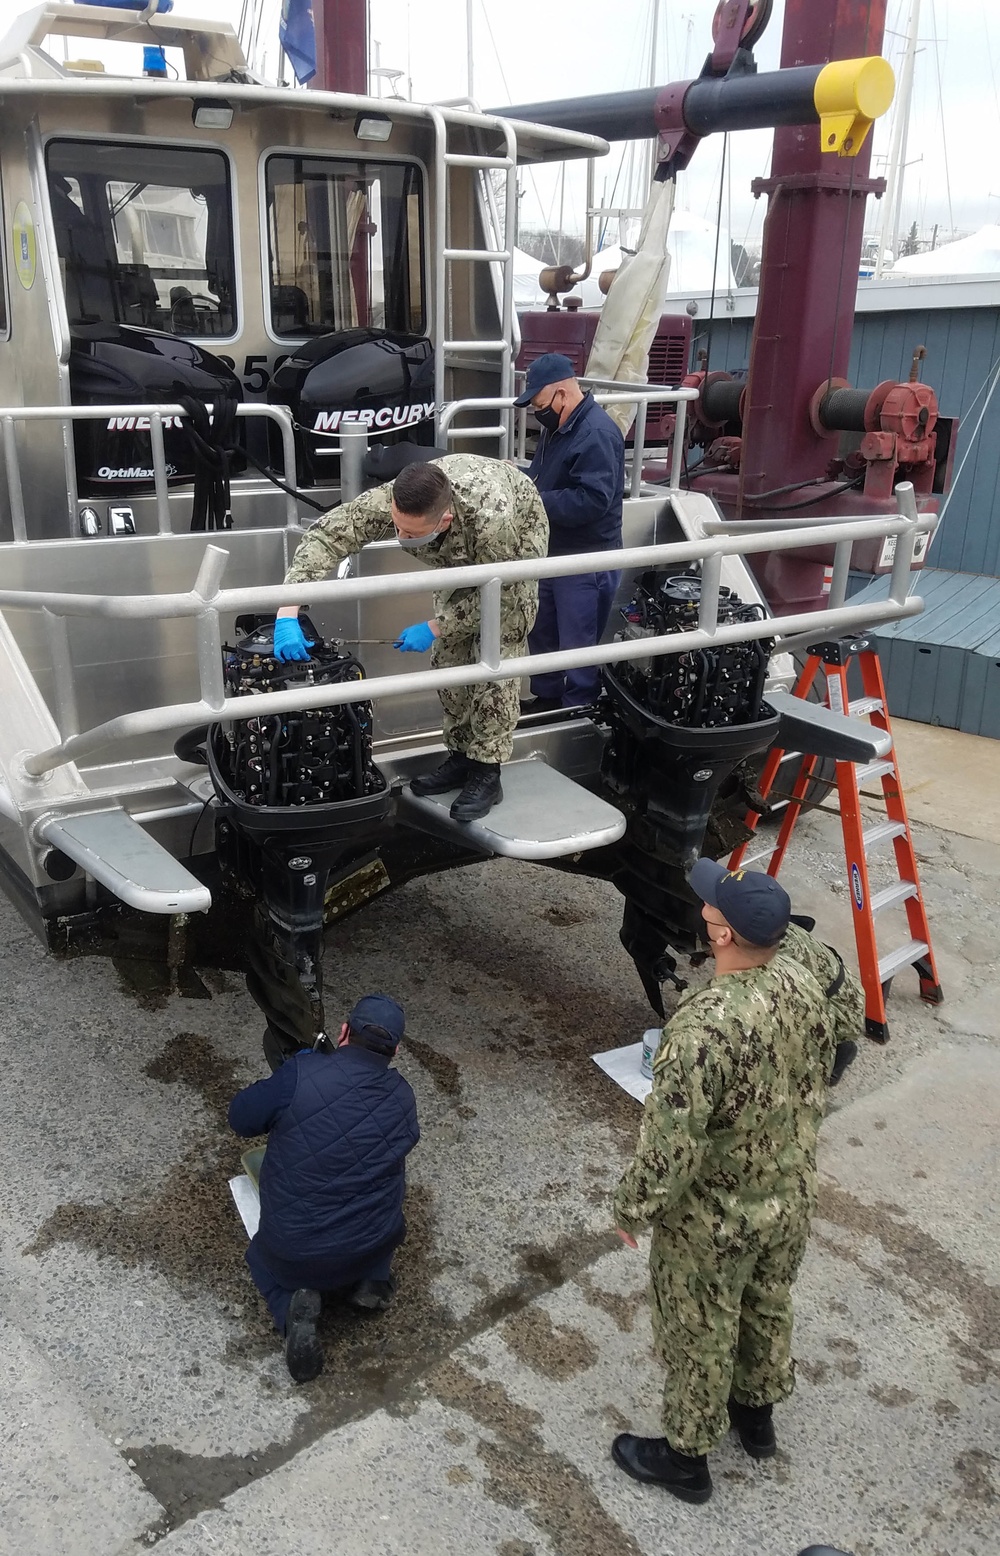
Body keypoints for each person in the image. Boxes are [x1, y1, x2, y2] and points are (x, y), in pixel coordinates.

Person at [611, 861, 834, 1504]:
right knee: (768, 1301)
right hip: (790, 1195)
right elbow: (844, 1014)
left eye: (713, 910)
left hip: (715, 1219)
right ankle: (757, 1419)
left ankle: (685, 1458)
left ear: (723, 935)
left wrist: (631, 1208)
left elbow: (671, 1151)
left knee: (699, 1329)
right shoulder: (802, 974)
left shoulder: (703, 1026)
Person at [272, 454, 548, 822]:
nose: (401, 538)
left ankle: (487, 770)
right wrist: (287, 609)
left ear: (445, 520)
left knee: (494, 660)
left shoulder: (491, 520)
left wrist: (435, 626)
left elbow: (506, 595)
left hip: (515, 548)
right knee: (448, 660)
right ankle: (462, 757)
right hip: (460, 555)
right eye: (397, 528)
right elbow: (330, 533)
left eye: (412, 535)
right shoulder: (396, 498)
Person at [228, 994, 419, 1383]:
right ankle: (371, 1280)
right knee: (381, 1181)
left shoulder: (302, 1074)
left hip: (298, 1255)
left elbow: (240, 1117)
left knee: (260, 1256)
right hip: (374, 1243)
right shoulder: (403, 1096)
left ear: (343, 1031)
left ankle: (291, 1308)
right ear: (395, 1050)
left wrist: (297, 1074)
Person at [514, 353, 625, 710]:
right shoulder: (557, 427)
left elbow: (593, 500)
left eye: (540, 404)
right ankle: (546, 697)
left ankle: (577, 707)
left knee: (579, 642)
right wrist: (519, 480)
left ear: (562, 393)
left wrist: (532, 501)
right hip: (551, 551)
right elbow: (543, 479)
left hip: (586, 559)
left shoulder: (596, 433)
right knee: (541, 626)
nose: (537, 413)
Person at [780, 914, 865, 1085]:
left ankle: (840, 1048)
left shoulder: (777, 952)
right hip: (843, 995)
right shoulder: (770, 926)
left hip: (842, 1013)